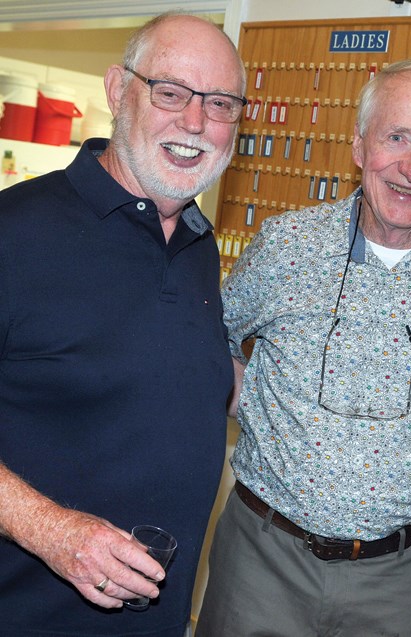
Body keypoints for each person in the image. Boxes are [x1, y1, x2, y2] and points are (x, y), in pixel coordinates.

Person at [195, 58, 411, 637]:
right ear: (360, 147)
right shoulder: (287, 245)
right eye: (397, 138)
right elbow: (207, 338)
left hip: (402, 578)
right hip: (263, 560)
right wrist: (249, 398)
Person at [0, 13, 245, 636]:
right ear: (117, 90)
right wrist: (53, 532)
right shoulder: (15, 230)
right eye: (170, 93)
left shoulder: (197, 245)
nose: (195, 123)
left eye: (220, 104)